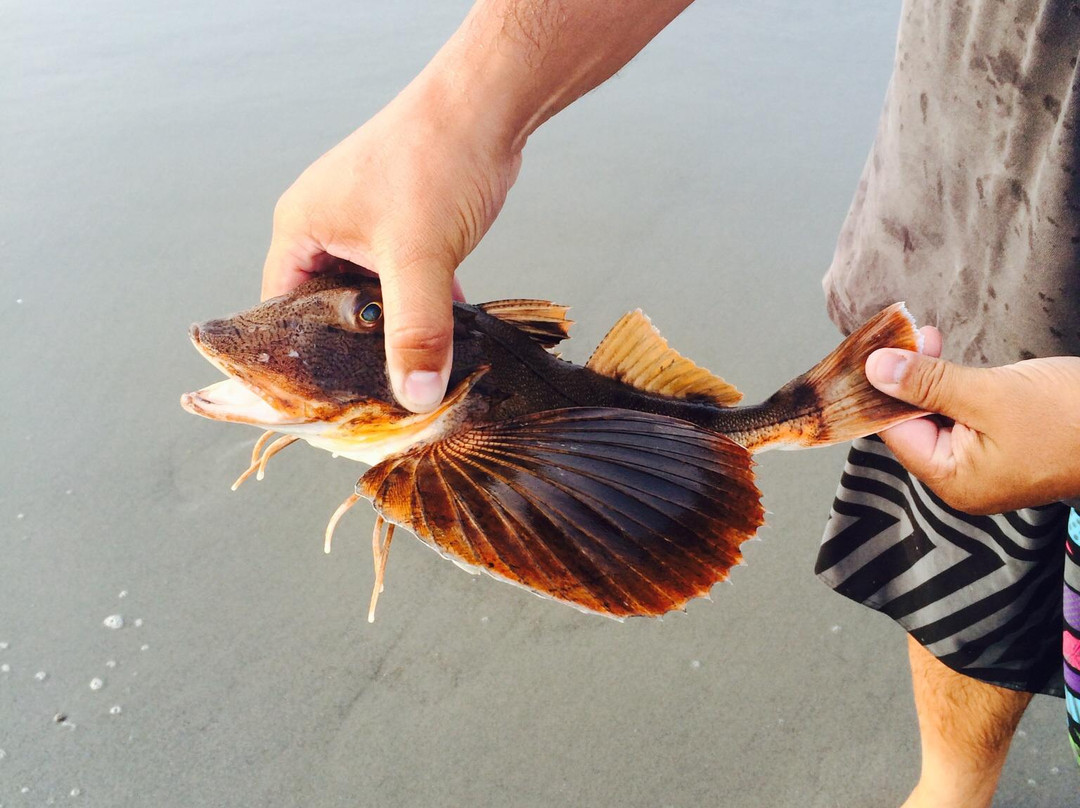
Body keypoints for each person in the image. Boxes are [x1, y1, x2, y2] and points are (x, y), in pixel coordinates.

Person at [260, 1, 1080, 805]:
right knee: (964, 543)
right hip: (985, 207)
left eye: (372, 317)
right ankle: (954, 783)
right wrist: (456, 115)